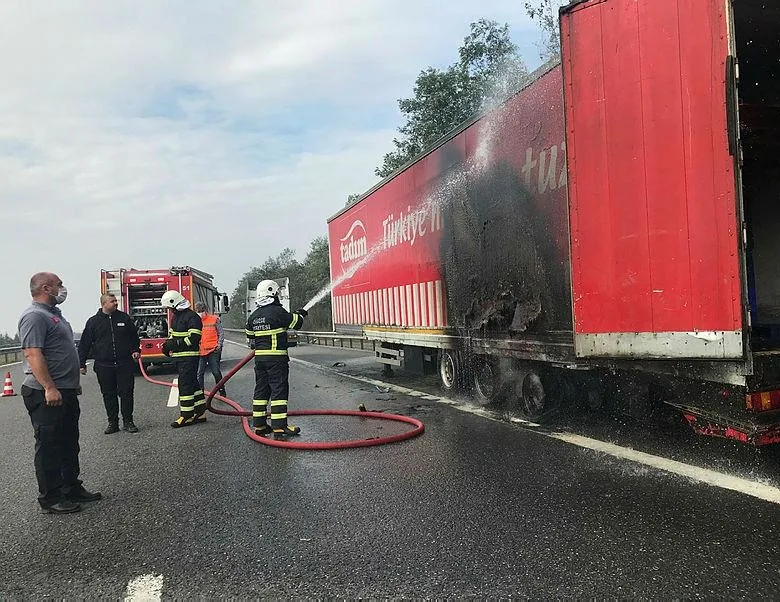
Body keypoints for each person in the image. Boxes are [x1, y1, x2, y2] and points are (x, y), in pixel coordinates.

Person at [18, 272, 102, 514]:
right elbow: (33, 354)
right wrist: (50, 387)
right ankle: (51, 498)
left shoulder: (55, 316)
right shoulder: (34, 316)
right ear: (46, 288)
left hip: (65, 391)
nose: (63, 289)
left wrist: (70, 384)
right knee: (49, 446)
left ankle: (70, 488)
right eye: (59, 285)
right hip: (46, 394)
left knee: (68, 443)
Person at [245, 279, 307, 439]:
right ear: (273, 292)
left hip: (260, 360)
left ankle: (259, 425)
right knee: (278, 390)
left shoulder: (254, 316)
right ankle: (279, 427)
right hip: (276, 360)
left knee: (261, 390)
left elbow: (250, 336)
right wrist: (301, 313)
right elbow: (296, 323)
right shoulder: (277, 312)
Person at [78, 293, 141, 434]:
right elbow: (84, 344)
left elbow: (134, 337)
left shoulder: (124, 318)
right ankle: (112, 422)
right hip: (103, 365)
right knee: (108, 394)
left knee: (126, 393)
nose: (116, 303)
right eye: (112, 301)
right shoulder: (93, 322)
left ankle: (128, 421)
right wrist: (81, 364)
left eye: (116, 301)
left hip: (124, 363)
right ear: (104, 303)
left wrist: (136, 350)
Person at [160, 290, 205, 428]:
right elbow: (173, 335)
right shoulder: (176, 317)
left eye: (169, 307)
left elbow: (194, 338)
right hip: (180, 357)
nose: (169, 310)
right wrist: (167, 345)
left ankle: (186, 415)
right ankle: (200, 411)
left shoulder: (192, 317)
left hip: (189, 357)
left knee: (184, 384)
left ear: (174, 303)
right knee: (193, 383)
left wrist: (176, 344)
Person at [194, 301, 226, 397]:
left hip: (213, 350)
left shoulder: (214, 319)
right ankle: (200, 393)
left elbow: (221, 333)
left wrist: (219, 345)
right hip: (201, 351)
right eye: (198, 311)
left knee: (216, 372)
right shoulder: (195, 321)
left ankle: (221, 389)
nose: (200, 313)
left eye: (201, 311)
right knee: (199, 373)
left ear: (205, 310)